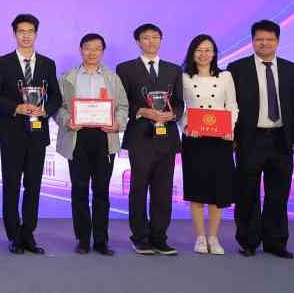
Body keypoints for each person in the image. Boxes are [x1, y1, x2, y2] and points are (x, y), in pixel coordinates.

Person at [228, 20, 294, 259]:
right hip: (248, 140)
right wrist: (231, 136)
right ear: (252, 41)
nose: (264, 43)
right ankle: (248, 241)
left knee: (278, 194)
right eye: (259, 39)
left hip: (281, 140)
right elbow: (229, 105)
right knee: (247, 192)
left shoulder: (292, 69)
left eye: (269, 39)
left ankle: (276, 242)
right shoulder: (237, 68)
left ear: (277, 41)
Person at [0, 13, 62, 255]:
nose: (26, 36)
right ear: (14, 34)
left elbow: (56, 96)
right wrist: (15, 107)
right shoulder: (3, 62)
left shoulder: (47, 64)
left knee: (33, 185)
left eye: (30, 31)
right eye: (21, 31)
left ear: (36, 34)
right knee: (11, 185)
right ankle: (14, 235)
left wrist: (45, 110)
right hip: (12, 133)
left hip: (38, 134)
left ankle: (28, 234)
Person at [53, 33, 128, 256]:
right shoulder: (68, 77)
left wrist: (117, 123)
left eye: (97, 48)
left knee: (102, 190)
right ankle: (83, 239)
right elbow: (57, 107)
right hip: (77, 137)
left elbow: (123, 107)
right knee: (79, 190)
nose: (92, 52)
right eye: (88, 48)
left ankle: (101, 240)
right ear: (80, 50)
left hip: (104, 138)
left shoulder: (112, 78)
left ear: (103, 52)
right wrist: (68, 121)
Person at [116, 23, 185, 255]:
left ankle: (159, 237)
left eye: (155, 37)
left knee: (163, 189)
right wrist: (141, 111)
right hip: (140, 137)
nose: (151, 41)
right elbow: (121, 102)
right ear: (138, 41)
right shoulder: (125, 68)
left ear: (161, 40)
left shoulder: (174, 69)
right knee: (138, 188)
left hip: (167, 137)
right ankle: (140, 236)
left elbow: (179, 103)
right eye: (146, 37)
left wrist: (172, 115)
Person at [179, 35, 238, 255]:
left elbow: (232, 106)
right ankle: (200, 238)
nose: (203, 54)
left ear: (214, 53)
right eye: (199, 50)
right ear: (192, 52)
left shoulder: (225, 76)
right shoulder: (183, 77)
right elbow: (179, 107)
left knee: (218, 191)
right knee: (196, 190)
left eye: (208, 50)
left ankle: (213, 237)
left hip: (220, 140)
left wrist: (229, 128)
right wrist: (186, 126)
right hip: (194, 139)